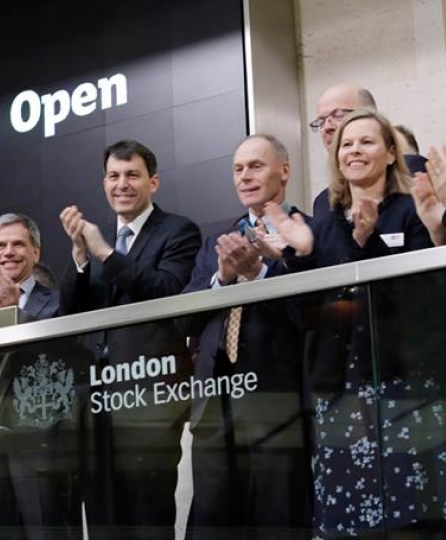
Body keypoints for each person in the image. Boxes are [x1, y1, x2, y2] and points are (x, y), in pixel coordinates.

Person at [269, 109, 438, 537]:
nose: (354, 151)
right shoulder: (321, 226)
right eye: (347, 143)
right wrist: (299, 258)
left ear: (389, 153)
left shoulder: (412, 211)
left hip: (404, 387)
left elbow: (420, 301)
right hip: (339, 393)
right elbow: (302, 319)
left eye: (366, 142)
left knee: (411, 515)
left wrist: (369, 245)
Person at [59, 140, 201, 538]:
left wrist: (105, 253)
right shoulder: (94, 243)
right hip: (98, 401)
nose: (122, 184)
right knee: (104, 517)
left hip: (148, 399)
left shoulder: (178, 230)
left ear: (153, 182)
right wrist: (81, 257)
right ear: (104, 183)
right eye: (114, 176)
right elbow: (71, 312)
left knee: (147, 513)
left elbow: (167, 291)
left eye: (132, 175)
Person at [180, 134, 311, 538]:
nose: (244, 176)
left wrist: (260, 275)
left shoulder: (307, 234)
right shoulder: (217, 242)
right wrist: (223, 276)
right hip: (216, 410)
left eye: (256, 165)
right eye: (238, 169)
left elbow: (310, 316)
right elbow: (183, 321)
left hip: (277, 405)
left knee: (278, 523)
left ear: (284, 171)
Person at [0, 213, 58, 319]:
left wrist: (11, 314)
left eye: (18, 244)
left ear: (35, 254)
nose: (8, 252)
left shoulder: (60, 303)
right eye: (0, 246)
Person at [310, 84, 377, 220]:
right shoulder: (323, 204)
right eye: (321, 121)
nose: (327, 127)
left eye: (338, 115)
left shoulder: (410, 192)